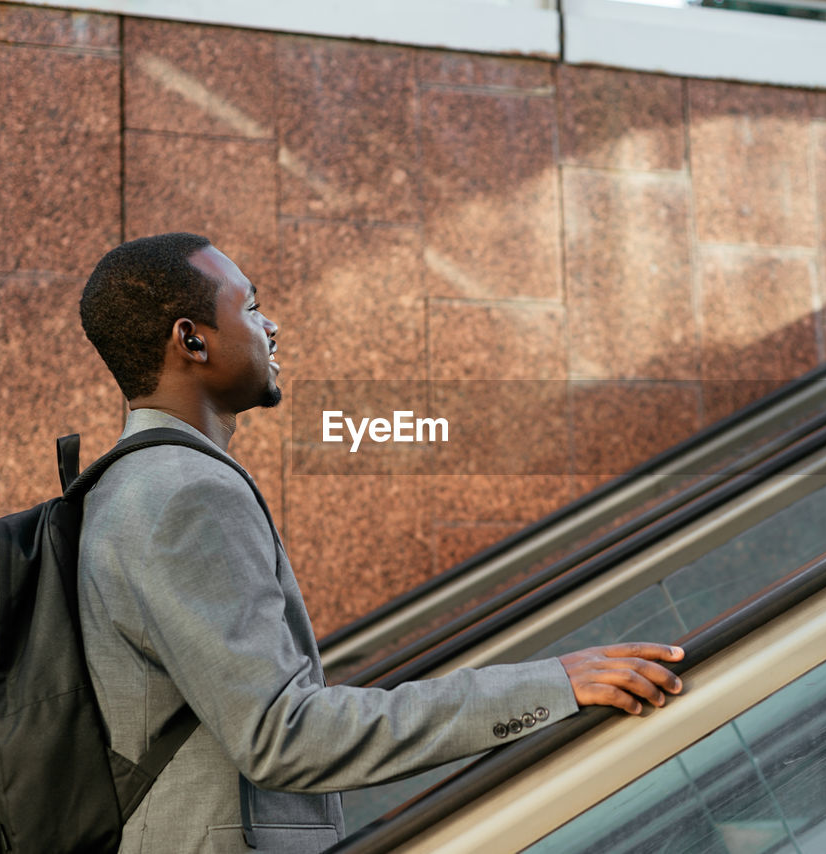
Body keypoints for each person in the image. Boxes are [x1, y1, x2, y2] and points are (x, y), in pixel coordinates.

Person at [76, 232, 685, 853]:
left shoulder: (127, 484)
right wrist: (548, 685)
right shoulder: (185, 493)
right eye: (252, 307)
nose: (272, 326)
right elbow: (282, 734)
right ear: (193, 340)